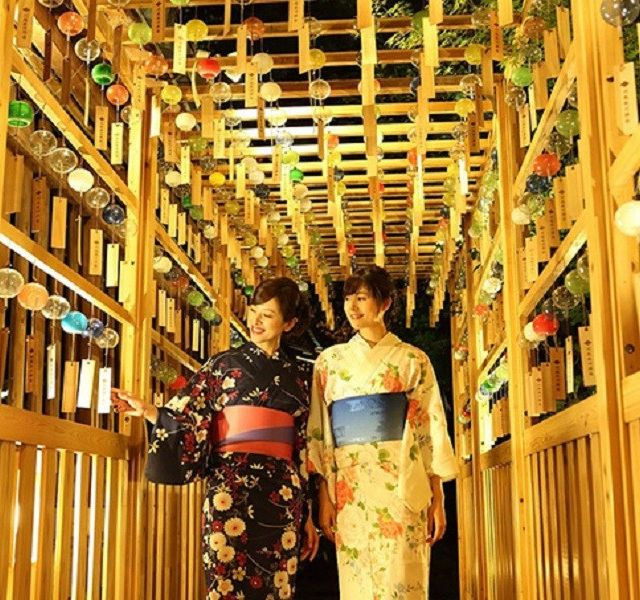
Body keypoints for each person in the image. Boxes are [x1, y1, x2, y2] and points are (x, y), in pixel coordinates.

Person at [112, 277, 320, 600]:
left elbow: (302, 448)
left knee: (276, 586)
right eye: (253, 312)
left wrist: (307, 513)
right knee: (226, 582)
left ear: (289, 323)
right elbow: (188, 413)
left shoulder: (299, 379)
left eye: (267, 314)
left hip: (281, 497)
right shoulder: (224, 365)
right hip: (230, 492)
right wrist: (151, 411)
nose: (255, 321)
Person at [306, 266, 458, 599]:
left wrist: (438, 496)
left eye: (362, 297)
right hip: (350, 486)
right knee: (357, 577)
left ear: (385, 303)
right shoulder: (329, 362)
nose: (352, 306)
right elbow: (318, 431)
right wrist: (324, 495)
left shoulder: (412, 359)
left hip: (402, 481)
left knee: (403, 577)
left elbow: (429, 426)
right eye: (348, 298)